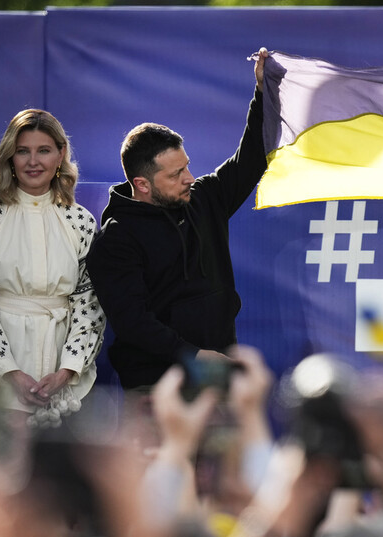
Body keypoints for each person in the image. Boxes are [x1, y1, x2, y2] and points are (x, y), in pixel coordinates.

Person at [86, 49, 269, 390]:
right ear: (141, 184)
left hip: (217, 376)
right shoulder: (114, 242)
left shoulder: (205, 197)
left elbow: (252, 159)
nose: (189, 177)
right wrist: (194, 355)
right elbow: (133, 323)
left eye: (186, 166)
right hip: (153, 387)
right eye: (175, 174)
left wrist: (261, 93)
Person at [0, 109, 104, 421]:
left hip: (65, 376)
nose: (33, 161)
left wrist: (67, 371)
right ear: (10, 157)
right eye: (23, 151)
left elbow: (90, 303)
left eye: (43, 150)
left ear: (60, 155)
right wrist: (9, 371)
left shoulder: (81, 221)